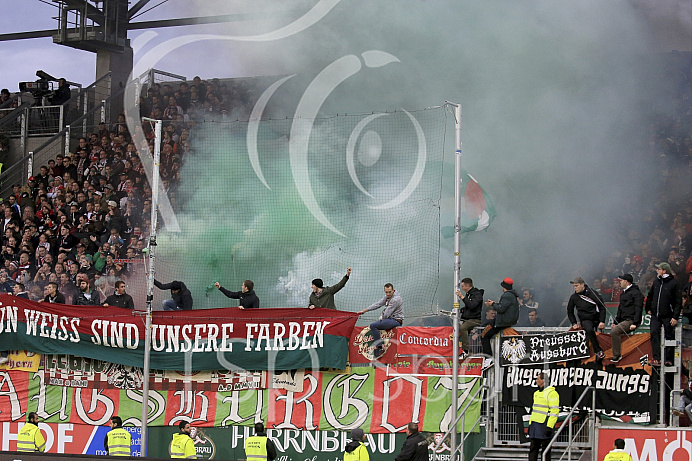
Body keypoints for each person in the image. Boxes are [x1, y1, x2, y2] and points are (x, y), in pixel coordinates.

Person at [646, 262, 682, 366]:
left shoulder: (674, 283)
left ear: (664, 271)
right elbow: (650, 295)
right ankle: (657, 358)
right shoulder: (656, 282)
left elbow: (678, 301)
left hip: (668, 315)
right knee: (654, 333)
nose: (657, 270)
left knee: (669, 336)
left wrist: (675, 317)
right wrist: (648, 308)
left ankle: (669, 359)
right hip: (655, 315)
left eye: (659, 269)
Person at [358, 283, 404, 358]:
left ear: (393, 290)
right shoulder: (387, 296)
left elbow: (386, 314)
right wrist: (365, 310)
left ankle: (379, 348)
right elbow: (378, 304)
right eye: (386, 292)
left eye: (389, 292)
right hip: (390, 319)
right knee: (376, 324)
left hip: (396, 321)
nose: (388, 294)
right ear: (384, 291)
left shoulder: (396, 299)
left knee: (373, 325)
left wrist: (381, 319)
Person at [566, 276, 607, 360]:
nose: (575, 288)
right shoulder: (574, 297)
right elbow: (570, 311)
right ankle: (598, 351)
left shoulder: (593, 293)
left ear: (582, 285)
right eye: (574, 286)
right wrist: (574, 322)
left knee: (600, 334)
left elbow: (602, 307)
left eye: (576, 286)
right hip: (585, 319)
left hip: (596, 318)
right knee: (589, 329)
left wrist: (602, 321)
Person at [482, 277, 519, 357]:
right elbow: (504, 306)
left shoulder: (507, 296)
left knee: (484, 335)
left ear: (503, 286)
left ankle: (488, 358)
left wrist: (492, 304)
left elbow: (501, 309)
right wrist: (495, 303)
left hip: (503, 322)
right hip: (506, 321)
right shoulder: (512, 295)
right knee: (485, 325)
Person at [610, 274, 644, 362]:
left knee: (615, 331)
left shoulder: (636, 293)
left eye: (621, 281)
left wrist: (635, 323)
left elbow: (638, 308)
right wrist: (615, 322)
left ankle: (617, 355)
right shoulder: (623, 294)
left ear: (626, 281)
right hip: (624, 320)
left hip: (631, 320)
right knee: (615, 329)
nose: (620, 282)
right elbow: (620, 309)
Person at [528, 372, 559, 461]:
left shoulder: (552, 393)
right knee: (533, 449)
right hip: (535, 425)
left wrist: (549, 426)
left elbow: (554, 411)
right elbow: (534, 411)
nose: (536, 381)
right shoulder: (536, 393)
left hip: (544, 424)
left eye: (538, 379)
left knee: (545, 450)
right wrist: (531, 424)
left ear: (543, 380)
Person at [455, 277, 484, 358]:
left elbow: (472, 305)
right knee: (458, 328)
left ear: (468, 286)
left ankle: (466, 350)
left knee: (463, 328)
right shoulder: (469, 294)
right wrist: (460, 311)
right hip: (467, 318)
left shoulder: (477, 294)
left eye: (463, 286)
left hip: (475, 319)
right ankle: (458, 349)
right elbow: (468, 307)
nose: (462, 288)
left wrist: (462, 297)